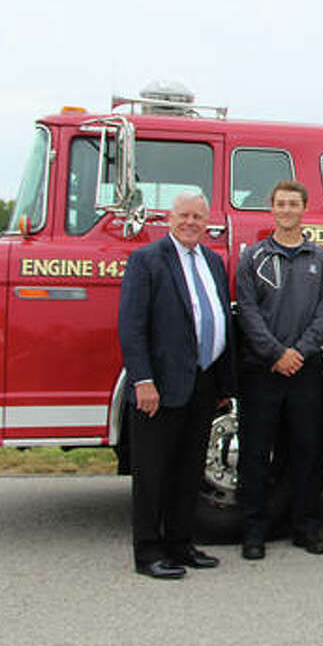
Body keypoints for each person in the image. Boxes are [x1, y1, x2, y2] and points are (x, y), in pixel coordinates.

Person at [118, 191, 234, 579]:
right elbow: (132, 327)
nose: (190, 222)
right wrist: (143, 381)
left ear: (206, 222)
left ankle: (182, 544)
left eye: (198, 217)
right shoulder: (146, 260)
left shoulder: (213, 261)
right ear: (169, 218)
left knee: (188, 470)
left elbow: (218, 318)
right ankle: (148, 552)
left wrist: (222, 382)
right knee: (153, 473)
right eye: (184, 215)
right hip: (161, 385)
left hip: (202, 382)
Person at [235, 180, 323, 559]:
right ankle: (254, 532)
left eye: (294, 203)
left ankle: (305, 527)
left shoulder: (320, 260)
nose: (288, 210)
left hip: (306, 371)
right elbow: (247, 311)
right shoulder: (254, 257)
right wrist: (276, 353)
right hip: (262, 370)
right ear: (272, 209)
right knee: (256, 454)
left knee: (307, 453)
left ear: (304, 208)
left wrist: (300, 352)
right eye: (281, 204)